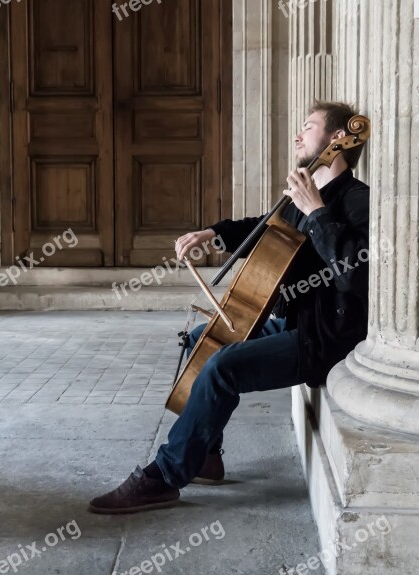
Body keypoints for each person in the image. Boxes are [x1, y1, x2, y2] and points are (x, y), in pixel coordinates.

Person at [89, 101, 370, 514]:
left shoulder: (355, 200)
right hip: (296, 321)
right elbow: (264, 229)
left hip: (326, 336)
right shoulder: (306, 194)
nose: (297, 135)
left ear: (337, 139)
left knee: (223, 366)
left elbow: (357, 274)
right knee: (204, 339)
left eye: (307, 127)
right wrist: (213, 233)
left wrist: (317, 213)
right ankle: (206, 455)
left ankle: (165, 476)